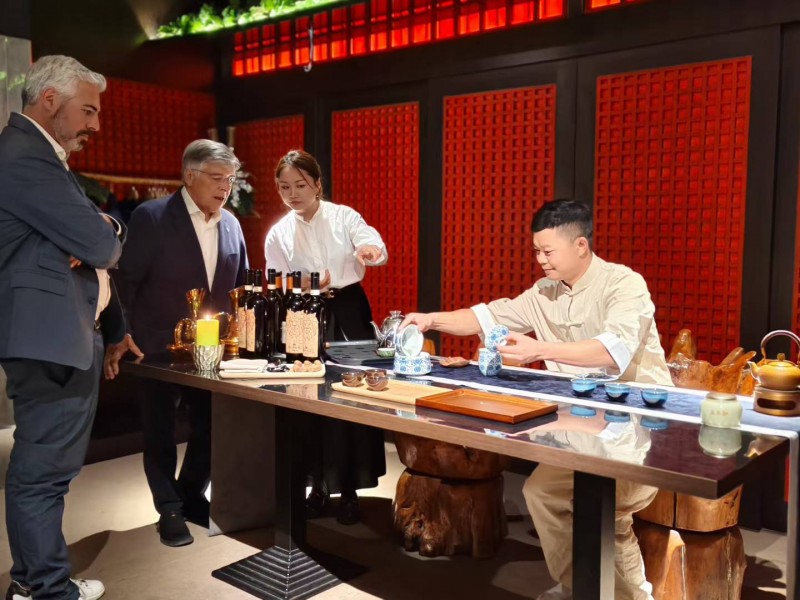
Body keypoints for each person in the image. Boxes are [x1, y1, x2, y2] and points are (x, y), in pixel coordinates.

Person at [402, 199, 671, 600]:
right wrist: (431, 319)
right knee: (542, 493)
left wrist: (537, 350)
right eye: (536, 251)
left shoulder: (623, 284)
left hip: (634, 425)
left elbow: (610, 352)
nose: (540, 259)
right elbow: (487, 316)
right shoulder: (544, 292)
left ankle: (631, 596)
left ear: (580, 245)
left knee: (607, 512)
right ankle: (577, 585)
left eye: (548, 251)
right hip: (581, 422)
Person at [0, 55, 133, 600]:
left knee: (44, 471)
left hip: (55, 335)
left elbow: (97, 236)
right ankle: (48, 591)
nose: (95, 125)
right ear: (49, 100)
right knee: (42, 474)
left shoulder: (35, 156)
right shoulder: (24, 156)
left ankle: (33, 581)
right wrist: (101, 230)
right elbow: (102, 245)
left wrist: (100, 227)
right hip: (50, 339)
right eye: (89, 111)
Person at [108, 140, 249, 546]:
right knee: (160, 430)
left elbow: (240, 285)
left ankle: (189, 494)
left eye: (230, 180)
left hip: (213, 348)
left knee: (213, 425)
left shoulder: (232, 224)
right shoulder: (153, 217)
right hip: (156, 344)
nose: (225, 187)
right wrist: (122, 332)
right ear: (189, 176)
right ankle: (168, 507)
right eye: (217, 178)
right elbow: (126, 281)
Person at [265, 149, 387, 524]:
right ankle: (316, 485)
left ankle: (349, 489)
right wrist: (301, 283)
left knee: (351, 395)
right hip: (305, 312)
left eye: (300, 185)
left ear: (318, 184)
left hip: (348, 311)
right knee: (310, 397)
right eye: (284, 187)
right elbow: (274, 280)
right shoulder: (279, 233)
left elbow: (372, 244)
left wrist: (369, 251)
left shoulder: (343, 216)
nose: (293, 194)